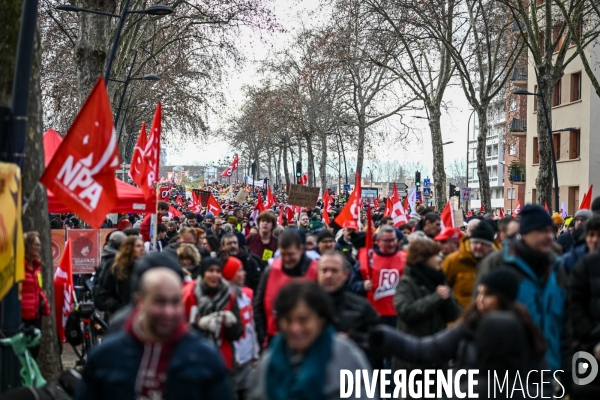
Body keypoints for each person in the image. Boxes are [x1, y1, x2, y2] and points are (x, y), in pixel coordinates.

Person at [369, 268, 551, 394]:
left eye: (487, 294)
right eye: (479, 293)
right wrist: (384, 336)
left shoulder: (523, 331)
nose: (480, 300)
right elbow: (425, 350)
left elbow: (543, 386)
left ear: (503, 298)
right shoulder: (470, 324)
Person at [76, 267, 234, 400]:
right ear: (140, 301)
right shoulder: (106, 356)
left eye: (175, 302)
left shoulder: (205, 357)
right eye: (159, 301)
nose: (168, 311)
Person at [474, 205, 566, 371]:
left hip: (551, 368)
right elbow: (477, 312)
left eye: (550, 231)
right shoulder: (497, 263)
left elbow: (567, 321)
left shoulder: (557, 266)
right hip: (507, 370)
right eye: (541, 231)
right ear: (524, 233)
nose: (549, 237)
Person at [249, 281, 372, 400]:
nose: (295, 328)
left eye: (303, 320)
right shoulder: (268, 364)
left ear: (321, 320)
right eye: (288, 320)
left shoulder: (346, 358)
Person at [393, 238, 461, 373]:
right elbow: (406, 311)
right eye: (435, 256)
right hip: (412, 363)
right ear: (423, 259)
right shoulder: (408, 282)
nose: (440, 259)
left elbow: (455, 314)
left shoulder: (439, 279)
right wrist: (436, 298)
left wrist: (446, 299)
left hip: (438, 359)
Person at [254, 229, 319, 348]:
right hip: (275, 338)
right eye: (283, 254)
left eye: (290, 254)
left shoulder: (316, 270)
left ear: (300, 249)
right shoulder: (271, 270)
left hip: (308, 340)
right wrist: (263, 336)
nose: (286, 259)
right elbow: (258, 304)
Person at [182, 258, 243, 371]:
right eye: (210, 270)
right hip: (194, 359)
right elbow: (179, 330)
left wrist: (231, 325)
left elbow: (237, 333)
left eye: (218, 271)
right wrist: (198, 326)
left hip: (223, 360)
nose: (215, 275)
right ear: (203, 273)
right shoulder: (189, 294)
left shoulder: (229, 295)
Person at [347, 225, 407, 330]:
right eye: (387, 241)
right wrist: (362, 286)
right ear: (378, 241)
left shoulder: (405, 258)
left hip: (400, 314)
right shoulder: (367, 260)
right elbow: (351, 285)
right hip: (376, 315)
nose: (392, 244)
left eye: (393, 240)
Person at [317, 251, 379, 351]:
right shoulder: (307, 306)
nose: (328, 275)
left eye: (334, 271)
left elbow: (377, 344)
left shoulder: (361, 307)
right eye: (324, 270)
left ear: (345, 275)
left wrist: (353, 339)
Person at [221, 257, 260, 400]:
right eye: (239, 271)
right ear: (230, 274)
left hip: (248, 359)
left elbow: (251, 326)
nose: (244, 274)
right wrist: (234, 356)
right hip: (234, 362)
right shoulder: (224, 299)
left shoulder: (246, 296)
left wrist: (255, 351)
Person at [442, 221, 497, 309]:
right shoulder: (453, 261)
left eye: (483, 243)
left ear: (490, 246)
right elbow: (442, 290)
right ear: (470, 242)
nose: (479, 246)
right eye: (476, 242)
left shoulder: (497, 263)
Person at [94, 236, 145, 313]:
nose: (142, 249)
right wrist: (120, 306)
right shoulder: (115, 266)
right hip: (119, 315)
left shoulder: (144, 266)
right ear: (129, 248)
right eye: (138, 246)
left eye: (142, 246)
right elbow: (104, 294)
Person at [22, 232, 50, 359]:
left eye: (39, 245)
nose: (39, 247)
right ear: (27, 246)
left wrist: (43, 303)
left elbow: (38, 289)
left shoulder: (37, 266)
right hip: (22, 317)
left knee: (35, 350)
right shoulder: (20, 266)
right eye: (36, 244)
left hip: (35, 314)